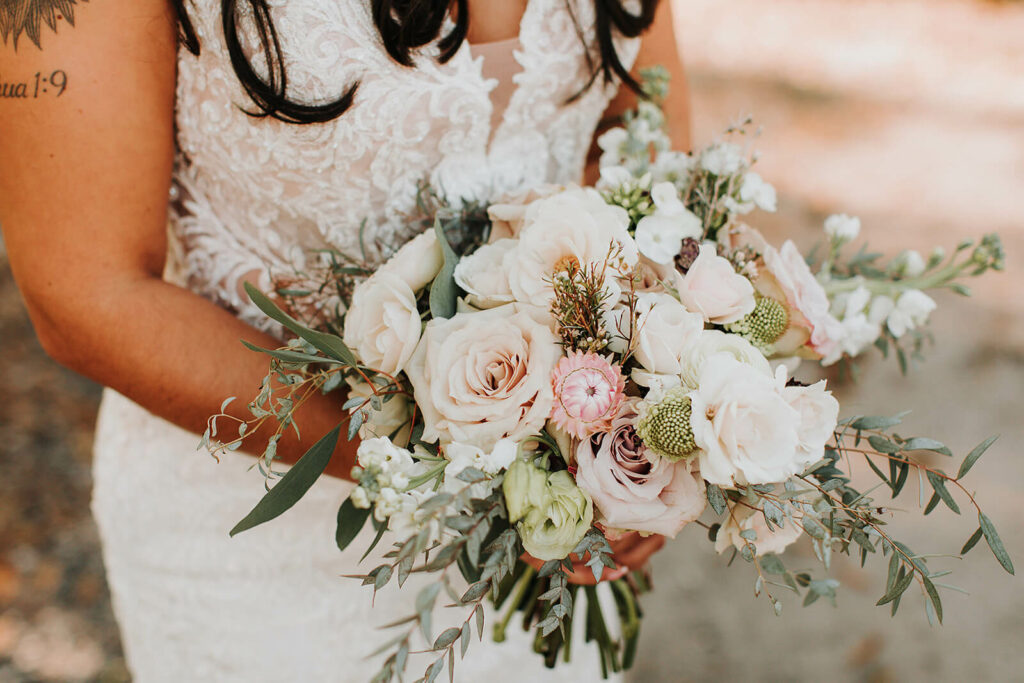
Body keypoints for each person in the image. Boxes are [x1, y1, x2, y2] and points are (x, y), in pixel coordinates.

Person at [0, 0, 691, 679]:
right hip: (257, 536)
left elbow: (646, 141)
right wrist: (474, 463)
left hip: (545, 538)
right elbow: (86, 292)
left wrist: (622, 443)